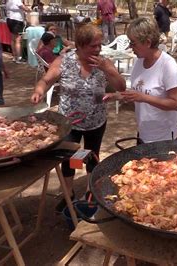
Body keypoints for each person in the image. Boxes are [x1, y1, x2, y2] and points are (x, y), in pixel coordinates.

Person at [30, 24, 126, 210]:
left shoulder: (103, 62)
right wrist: (39, 91)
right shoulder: (64, 61)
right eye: (93, 46)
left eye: (99, 45)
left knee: (92, 155)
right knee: (70, 158)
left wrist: (109, 70)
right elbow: (46, 80)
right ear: (80, 46)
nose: (98, 49)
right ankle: (68, 193)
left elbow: (121, 87)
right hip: (70, 122)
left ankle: (91, 190)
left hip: (96, 120)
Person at [121, 17, 177, 144]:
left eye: (133, 43)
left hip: (164, 135)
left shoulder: (167, 64)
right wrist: (118, 96)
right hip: (144, 131)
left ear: (148, 42)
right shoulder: (139, 61)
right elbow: (138, 93)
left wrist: (143, 97)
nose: (130, 47)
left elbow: (175, 104)